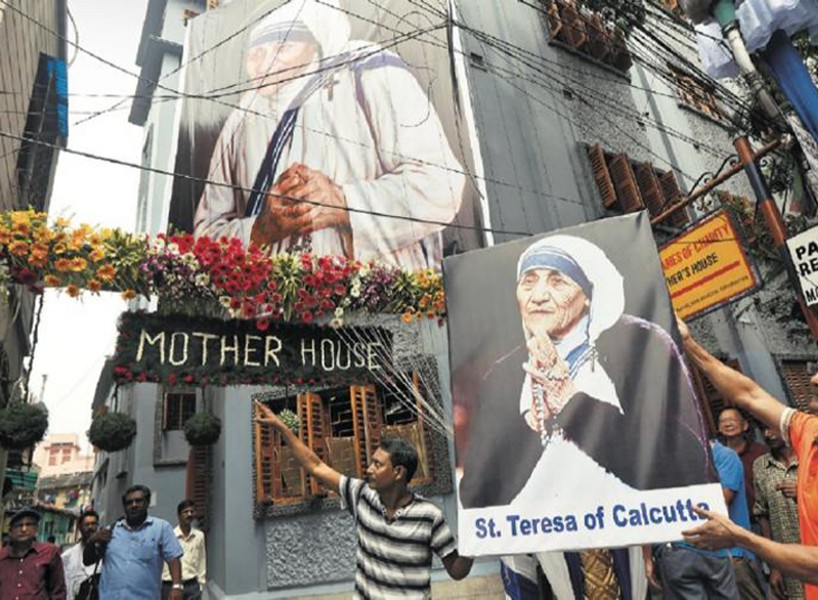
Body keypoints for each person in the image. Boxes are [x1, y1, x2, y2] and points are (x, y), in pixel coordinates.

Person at [193, 0, 465, 270]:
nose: (266, 65)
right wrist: (260, 229)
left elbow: (442, 185)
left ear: (316, 40)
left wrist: (343, 202)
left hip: (379, 302)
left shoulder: (369, 69)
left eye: (283, 47)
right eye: (256, 54)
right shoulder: (241, 118)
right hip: (267, 309)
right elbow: (205, 235)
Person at [458, 234, 714, 508]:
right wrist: (529, 429)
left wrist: (571, 402)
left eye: (558, 281)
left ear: (589, 295)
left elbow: (686, 465)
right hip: (548, 538)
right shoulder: (503, 374)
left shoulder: (638, 342)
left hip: (636, 531)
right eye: (528, 282)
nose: (539, 296)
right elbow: (478, 496)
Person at [679, 321, 818, 598]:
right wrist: (688, 342)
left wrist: (740, 537)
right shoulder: (812, 431)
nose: (816, 379)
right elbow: (748, 394)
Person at [254, 400, 473, 598]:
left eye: (378, 464)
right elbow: (316, 466)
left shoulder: (429, 516)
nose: (368, 469)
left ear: (398, 472)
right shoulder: (361, 495)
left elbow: (456, 570)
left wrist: (474, 543)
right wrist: (280, 427)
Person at [645, 440, 760, 600]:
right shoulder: (674, 460)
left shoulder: (721, 456)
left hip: (705, 547)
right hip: (702, 547)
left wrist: (647, 557)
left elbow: (646, 506)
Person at [83, 485, 184, 600]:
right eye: (129, 502)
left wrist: (177, 586)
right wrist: (92, 541)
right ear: (124, 507)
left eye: (138, 501)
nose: (134, 505)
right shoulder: (110, 531)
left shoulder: (161, 528)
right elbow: (87, 561)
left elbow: (173, 558)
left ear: (147, 503)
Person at [753, 428, 804, 599]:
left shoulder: (811, 456)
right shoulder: (760, 465)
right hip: (787, 560)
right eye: (764, 429)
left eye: (772, 428)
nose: (767, 434)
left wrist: (803, 493)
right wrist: (774, 565)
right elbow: (762, 514)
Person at [0, 507, 66, 599]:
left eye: (29, 524)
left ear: (36, 529)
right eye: (19, 525)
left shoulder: (49, 553)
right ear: (10, 532)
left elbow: (58, 592)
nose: (24, 529)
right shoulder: (2, 557)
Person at [718, 407, 767, 524]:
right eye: (723, 421)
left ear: (745, 425)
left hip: (761, 519)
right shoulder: (716, 456)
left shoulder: (761, 452)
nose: (728, 423)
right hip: (731, 521)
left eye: (732, 419)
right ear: (719, 428)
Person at [161, 500, 205, 600]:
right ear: (179, 515)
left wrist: (201, 584)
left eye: (192, 511)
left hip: (191, 585)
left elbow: (202, 559)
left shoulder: (199, 536)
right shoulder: (170, 536)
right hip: (171, 585)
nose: (189, 514)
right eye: (185, 512)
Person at [62, 510, 102, 600]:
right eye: (87, 524)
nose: (90, 527)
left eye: (93, 524)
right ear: (80, 527)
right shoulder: (68, 556)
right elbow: (66, 585)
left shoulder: (105, 552)